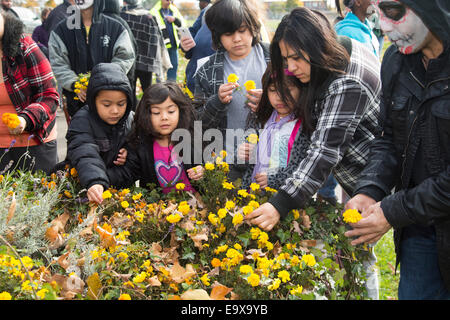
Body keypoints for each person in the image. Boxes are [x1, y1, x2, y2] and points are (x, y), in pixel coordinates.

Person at [243, 7, 382, 299]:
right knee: (351, 248)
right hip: (358, 171)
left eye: (296, 57)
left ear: (318, 46)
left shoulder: (346, 83)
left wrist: (279, 203)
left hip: (372, 178)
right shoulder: (337, 51)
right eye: (285, 58)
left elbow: (323, 152)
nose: (291, 67)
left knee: (361, 248)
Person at [344, 0, 450, 300]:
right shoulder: (395, 61)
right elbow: (389, 135)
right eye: (377, 13)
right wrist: (370, 189)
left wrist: (394, 209)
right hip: (420, 227)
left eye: (392, 11)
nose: (384, 26)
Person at [194, 0, 270, 181]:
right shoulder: (207, 70)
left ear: (253, 27)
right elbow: (198, 121)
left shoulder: (272, 58)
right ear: (217, 36)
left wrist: (268, 103)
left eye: (242, 31)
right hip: (226, 161)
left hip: (269, 158)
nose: (237, 39)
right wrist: (216, 101)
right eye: (228, 34)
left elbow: (296, 103)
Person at [107, 82, 204, 193]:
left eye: (171, 111)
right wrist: (99, 181)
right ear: (147, 115)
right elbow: (126, 174)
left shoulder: (192, 138)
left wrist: (204, 170)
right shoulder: (141, 145)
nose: (164, 117)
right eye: (156, 112)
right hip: (159, 207)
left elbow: (214, 160)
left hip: (195, 204)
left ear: (180, 111)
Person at [48, 0, 135, 118]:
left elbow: (125, 57)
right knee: (81, 134)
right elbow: (58, 64)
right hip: (77, 103)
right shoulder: (61, 30)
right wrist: (75, 84)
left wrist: (105, 81)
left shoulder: (115, 27)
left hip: (109, 102)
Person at [65, 63, 134, 204]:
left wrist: (131, 150)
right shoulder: (82, 120)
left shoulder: (131, 119)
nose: (115, 111)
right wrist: (95, 181)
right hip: (86, 188)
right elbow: (84, 152)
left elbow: (143, 144)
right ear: (93, 100)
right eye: (107, 105)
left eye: (121, 104)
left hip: (121, 190)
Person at [0, 11, 60, 174]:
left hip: (32, 146)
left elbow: (49, 96)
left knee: (35, 197)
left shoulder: (23, 46)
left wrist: (26, 119)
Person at [239, 65, 311, 190]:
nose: (280, 97)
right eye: (273, 90)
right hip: (251, 194)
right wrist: (242, 154)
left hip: (284, 200)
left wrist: (274, 179)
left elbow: (304, 168)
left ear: (301, 90)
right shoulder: (260, 118)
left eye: (288, 90)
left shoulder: (303, 127)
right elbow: (244, 160)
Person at [121, 0, 167, 94]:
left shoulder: (120, 16)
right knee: (147, 92)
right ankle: (147, 108)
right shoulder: (149, 17)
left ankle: (132, 108)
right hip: (146, 62)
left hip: (127, 61)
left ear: (124, 2)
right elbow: (155, 41)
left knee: (129, 92)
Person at [102, 0, 137, 108]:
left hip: (103, 75)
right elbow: (134, 47)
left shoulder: (98, 22)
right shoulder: (121, 22)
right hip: (123, 72)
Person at [180, 0, 214, 94]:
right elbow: (193, 31)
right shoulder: (207, 11)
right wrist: (184, 45)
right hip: (193, 82)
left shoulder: (243, 12)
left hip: (219, 88)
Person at [150, 0, 186, 81]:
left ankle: (171, 88)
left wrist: (175, 20)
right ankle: (160, 90)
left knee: (173, 66)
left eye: (171, 0)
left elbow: (182, 24)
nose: (169, 2)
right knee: (161, 70)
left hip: (173, 45)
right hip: (161, 46)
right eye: (167, 0)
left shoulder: (174, 10)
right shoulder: (154, 11)